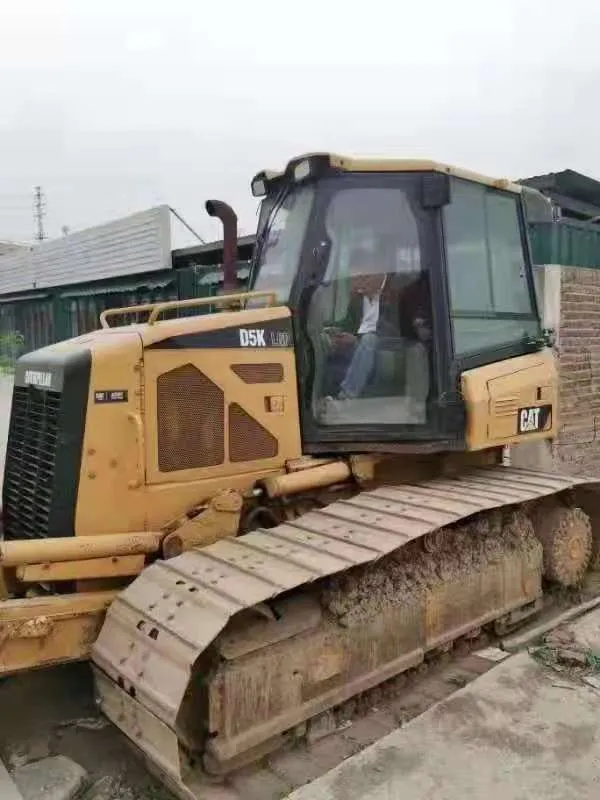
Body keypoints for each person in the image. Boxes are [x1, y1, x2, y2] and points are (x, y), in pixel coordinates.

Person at [324, 247, 401, 400]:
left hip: (386, 348)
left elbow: (397, 331)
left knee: (369, 339)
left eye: (360, 279)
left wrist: (357, 340)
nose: (356, 286)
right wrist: (335, 332)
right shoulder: (358, 298)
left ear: (375, 274)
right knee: (324, 342)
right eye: (353, 280)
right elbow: (348, 325)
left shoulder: (396, 292)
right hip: (360, 348)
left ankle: (347, 395)